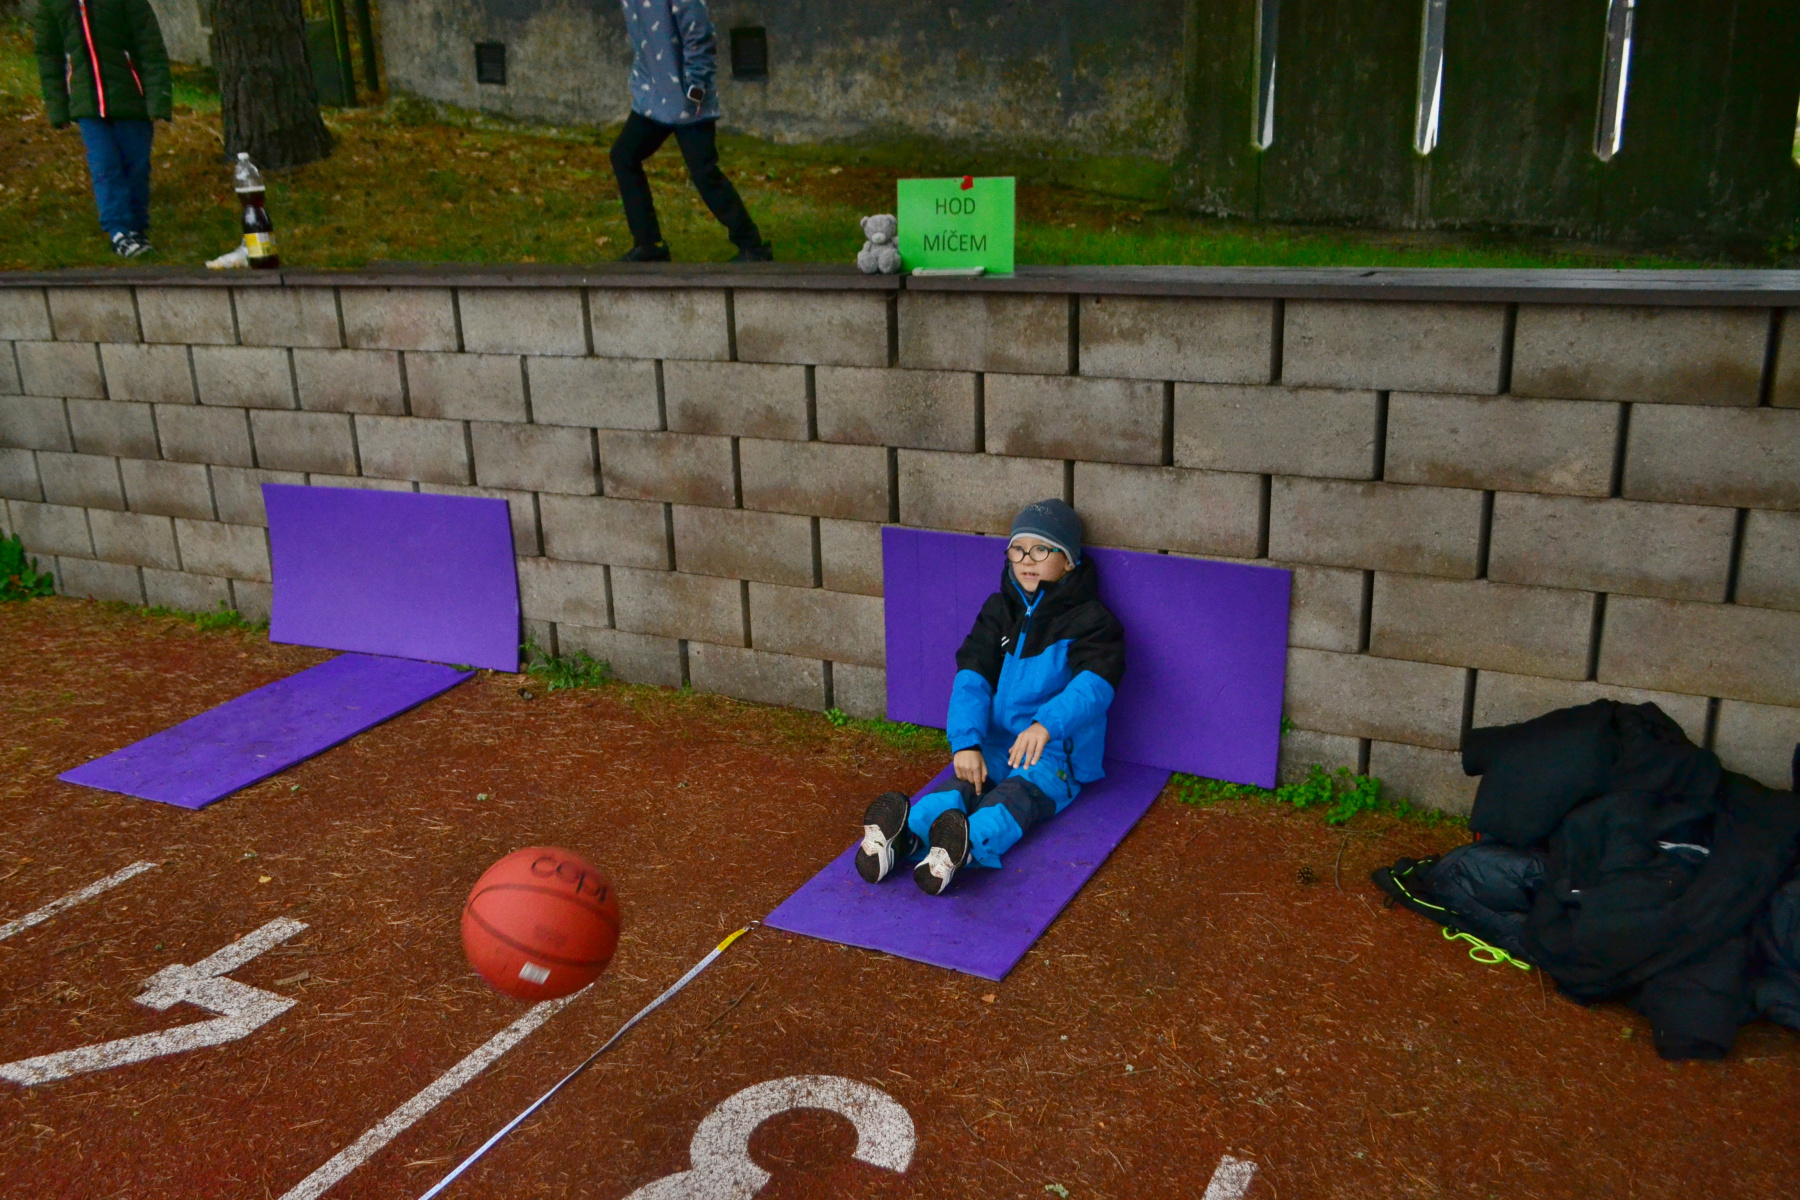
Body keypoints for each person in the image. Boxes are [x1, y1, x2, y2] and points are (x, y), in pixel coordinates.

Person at [857, 499, 1126, 896]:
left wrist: (1045, 725)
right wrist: (966, 741)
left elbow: (1094, 688)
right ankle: (904, 837)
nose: (1026, 559)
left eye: (1041, 549)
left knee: (1012, 798)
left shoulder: (1092, 621)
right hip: (999, 744)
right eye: (1018, 549)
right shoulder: (999, 610)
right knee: (962, 786)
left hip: (1054, 756)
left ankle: (962, 848)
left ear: (1069, 562)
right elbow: (972, 677)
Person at [609, 0, 772, 263]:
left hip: (689, 100)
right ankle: (649, 244)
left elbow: (700, 33)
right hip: (654, 98)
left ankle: (752, 247)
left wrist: (696, 88)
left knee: (704, 174)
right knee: (624, 155)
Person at [34, 0, 172, 258]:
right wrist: (58, 108)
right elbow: (49, 56)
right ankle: (119, 231)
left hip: (132, 98)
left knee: (136, 166)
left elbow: (150, 46)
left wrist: (158, 99)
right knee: (105, 166)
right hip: (88, 105)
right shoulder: (51, 5)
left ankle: (136, 227)